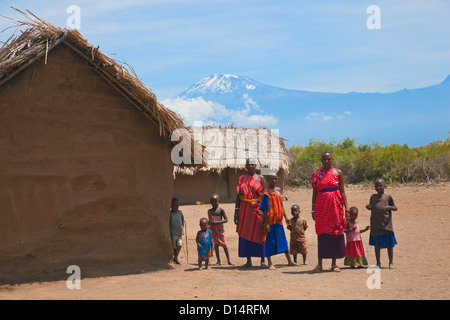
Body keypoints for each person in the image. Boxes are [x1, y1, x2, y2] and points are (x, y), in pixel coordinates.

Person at [311, 152, 349, 273]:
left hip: (336, 206)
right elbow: (314, 193)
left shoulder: (338, 173)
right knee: (322, 233)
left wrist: (346, 208)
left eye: (328, 159)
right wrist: (313, 208)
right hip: (321, 207)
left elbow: (342, 191)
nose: (326, 161)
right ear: (321, 160)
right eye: (324, 159)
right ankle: (319, 264)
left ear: (332, 159)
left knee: (335, 233)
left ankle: (334, 264)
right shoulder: (316, 174)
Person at [259, 172, 297, 269]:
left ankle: (289, 261)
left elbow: (281, 205)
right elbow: (264, 209)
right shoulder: (266, 193)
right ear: (268, 180)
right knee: (270, 241)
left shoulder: (278, 192)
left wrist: (286, 217)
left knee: (283, 240)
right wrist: (266, 223)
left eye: (275, 179)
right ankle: (270, 263)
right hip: (270, 221)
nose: (274, 181)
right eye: (272, 179)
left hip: (278, 221)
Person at [234, 158, 267, 268]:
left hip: (258, 210)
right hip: (244, 211)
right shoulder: (242, 179)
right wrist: (236, 213)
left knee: (260, 233)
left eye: (252, 164)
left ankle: (262, 260)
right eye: (248, 165)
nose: (251, 166)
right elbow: (239, 197)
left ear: (256, 165)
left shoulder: (261, 178)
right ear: (245, 166)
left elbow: (265, 196)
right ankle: (248, 260)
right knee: (245, 234)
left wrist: (264, 212)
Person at [366, 178, 398, 269]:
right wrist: (369, 207)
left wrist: (388, 208)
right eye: (376, 186)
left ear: (384, 186)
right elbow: (372, 206)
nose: (378, 187)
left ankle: (391, 262)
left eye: (380, 185)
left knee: (389, 245)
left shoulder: (388, 197)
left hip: (386, 225)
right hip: (376, 224)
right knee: (376, 245)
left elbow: (395, 208)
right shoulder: (373, 197)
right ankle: (378, 262)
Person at [208, 193, 234, 265]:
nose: (214, 203)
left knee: (224, 244)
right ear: (210, 202)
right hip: (213, 230)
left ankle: (229, 260)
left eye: (216, 201)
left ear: (219, 201)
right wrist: (208, 225)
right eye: (212, 201)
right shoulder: (209, 211)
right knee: (216, 245)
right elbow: (210, 221)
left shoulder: (221, 210)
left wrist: (218, 222)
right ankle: (218, 261)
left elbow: (226, 219)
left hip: (220, 230)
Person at [169, 198, 184, 265]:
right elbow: (169, 223)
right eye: (174, 206)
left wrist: (182, 226)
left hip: (179, 232)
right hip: (173, 232)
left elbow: (182, 220)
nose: (176, 207)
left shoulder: (180, 212)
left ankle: (176, 256)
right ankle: (175, 257)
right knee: (174, 246)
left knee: (180, 245)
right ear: (171, 206)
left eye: (177, 206)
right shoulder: (170, 214)